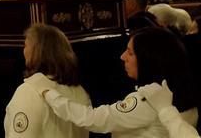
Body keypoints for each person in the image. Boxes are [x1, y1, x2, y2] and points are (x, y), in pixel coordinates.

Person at [41, 27, 198, 137]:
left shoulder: (148, 100)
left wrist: (49, 94)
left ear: (148, 60)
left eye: (130, 53)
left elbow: (92, 118)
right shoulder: (185, 92)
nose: (122, 57)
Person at [5, 24, 89, 137]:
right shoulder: (81, 92)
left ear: (36, 51)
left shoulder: (28, 92)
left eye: (25, 46)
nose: (23, 51)